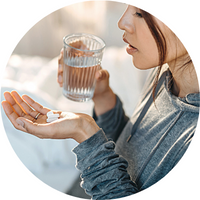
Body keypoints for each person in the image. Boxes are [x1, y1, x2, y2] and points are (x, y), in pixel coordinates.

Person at [2, 5, 199, 199]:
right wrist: (103, 97)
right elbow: (132, 149)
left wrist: (85, 131)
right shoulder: (164, 75)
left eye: (141, 12)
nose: (122, 23)